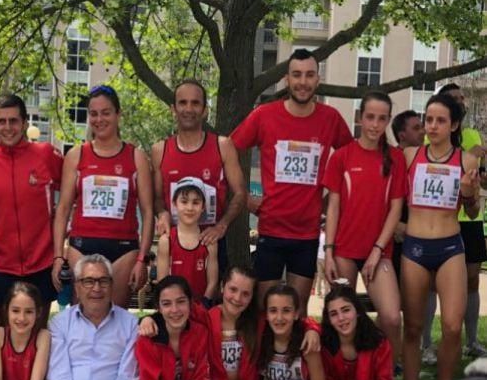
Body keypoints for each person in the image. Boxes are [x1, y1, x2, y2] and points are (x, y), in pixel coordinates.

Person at [231, 49, 353, 315]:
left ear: (317, 80)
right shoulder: (264, 115)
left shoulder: (330, 119)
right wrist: (243, 196)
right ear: (287, 79)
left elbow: (352, 160)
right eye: (297, 75)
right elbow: (229, 148)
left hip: (307, 235)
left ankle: (295, 358)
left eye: (309, 75)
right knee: (267, 311)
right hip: (271, 230)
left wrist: (329, 199)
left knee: (297, 312)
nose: (303, 81)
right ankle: (264, 358)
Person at [401, 93, 479, 380]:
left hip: (449, 246)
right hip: (415, 247)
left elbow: (473, 213)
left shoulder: (468, 160)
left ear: (454, 124)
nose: (432, 126)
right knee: (415, 327)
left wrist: (470, 195)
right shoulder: (409, 155)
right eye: (428, 119)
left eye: (440, 120)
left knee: (451, 325)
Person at [52, 85, 154, 308]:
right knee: (83, 321)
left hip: (123, 249)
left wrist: (141, 259)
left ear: (118, 114)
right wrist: (58, 256)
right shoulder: (76, 155)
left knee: (115, 323)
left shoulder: (136, 157)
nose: (99, 119)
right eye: (94, 113)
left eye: (106, 113)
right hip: (82, 245)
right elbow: (63, 209)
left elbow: (148, 212)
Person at [323, 91, 405, 360]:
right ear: (359, 118)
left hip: (378, 252)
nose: (375, 124)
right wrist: (329, 251)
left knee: (392, 318)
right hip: (344, 250)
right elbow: (333, 207)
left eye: (382, 119)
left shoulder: (395, 158)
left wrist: (377, 250)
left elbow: (395, 208)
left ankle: (388, 373)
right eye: (370, 117)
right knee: (342, 322)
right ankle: (345, 374)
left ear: (388, 121)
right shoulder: (342, 156)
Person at [0, 94, 64, 320]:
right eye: (1, 121)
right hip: (4, 265)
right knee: (5, 335)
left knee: (39, 333)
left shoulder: (46, 154)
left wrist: (62, 244)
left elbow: (73, 195)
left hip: (42, 263)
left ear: (25, 123)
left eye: (14, 121)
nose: (8, 127)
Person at [152, 79, 247, 276]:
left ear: (205, 110)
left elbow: (240, 193)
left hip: (210, 243)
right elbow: (157, 197)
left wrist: (222, 226)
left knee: (209, 303)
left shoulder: (222, 145)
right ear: (173, 109)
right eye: (183, 103)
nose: (189, 109)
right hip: (174, 245)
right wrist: (162, 213)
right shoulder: (160, 149)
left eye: (195, 103)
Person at [425, 84, 487, 359]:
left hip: (469, 219)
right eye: (456, 98)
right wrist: (469, 154)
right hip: (439, 217)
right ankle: (426, 344)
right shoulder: (432, 134)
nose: (461, 101)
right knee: (430, 282)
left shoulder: (474, 134)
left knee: (472, 280)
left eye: (462, 98)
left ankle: (471, 341)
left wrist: (477, 172)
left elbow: (482, 176)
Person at [156, 177, 218, 306]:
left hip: (200, 308)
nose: (190, 208)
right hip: (174, 310)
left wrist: (204, 304)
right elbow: (162, 281)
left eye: (195, 202)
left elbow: (212, 281)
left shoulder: (209, 241)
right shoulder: (166, 241)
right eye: (184, 202)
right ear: (174, 204)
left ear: (203, 207)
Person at [390, 110, 424, 289]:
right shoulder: (390, 160)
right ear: (402, 135)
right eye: (416, 128)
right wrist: (395, 224)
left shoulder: (426, 160)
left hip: (420, 235)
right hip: (394, 240)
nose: (423, 131)